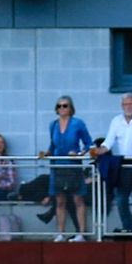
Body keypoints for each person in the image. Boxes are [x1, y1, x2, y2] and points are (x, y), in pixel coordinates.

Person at [95, 93, 132, 239]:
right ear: (122, 106)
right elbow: (108, 142)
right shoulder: (116, 121)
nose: (129, 107)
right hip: (122, 164)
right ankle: (128, 229)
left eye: (131, 104)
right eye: (126, 104)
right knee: (121, 199)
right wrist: (98, 151)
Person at [38, 96, 92, 242]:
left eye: (65, 106)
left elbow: (88, 143)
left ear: (71, 108)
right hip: (57, 165)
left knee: (78, 199)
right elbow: (53, 145)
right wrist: (47, 153)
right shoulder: (53, 125)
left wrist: (79, 154)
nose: (62, 108)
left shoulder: (78, 123)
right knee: (60, 200)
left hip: (73, 165)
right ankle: (60, 233)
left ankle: (81, 233)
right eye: (59, 106)